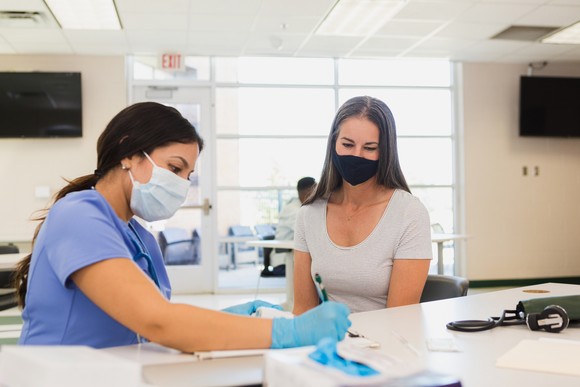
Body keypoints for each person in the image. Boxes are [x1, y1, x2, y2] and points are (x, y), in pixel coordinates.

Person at [13, 102, 351, 352]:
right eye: (175, 168)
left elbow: (148, 323)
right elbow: (158, 321)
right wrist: (287, 334)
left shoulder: (138, 235)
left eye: (188, 175)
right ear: (129, 152)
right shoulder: (78, 215)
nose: (181, 184)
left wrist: (232, 321)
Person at [292, 96, 433, 315]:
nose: (356, 155)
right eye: (347, 144)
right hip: (327, 343)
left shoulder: (409, 213)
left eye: (369, 147)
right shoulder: (309, 214)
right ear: (333, 144)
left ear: (385, 152)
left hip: (386, 343)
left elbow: (399, 319)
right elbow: (302, 310)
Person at [269, 177, 316, 311]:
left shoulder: (302, 207)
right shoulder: (294, 210)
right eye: (315, 190)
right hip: (284, 257)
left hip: (294, 254)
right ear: (307, 192)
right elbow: (308, 232)